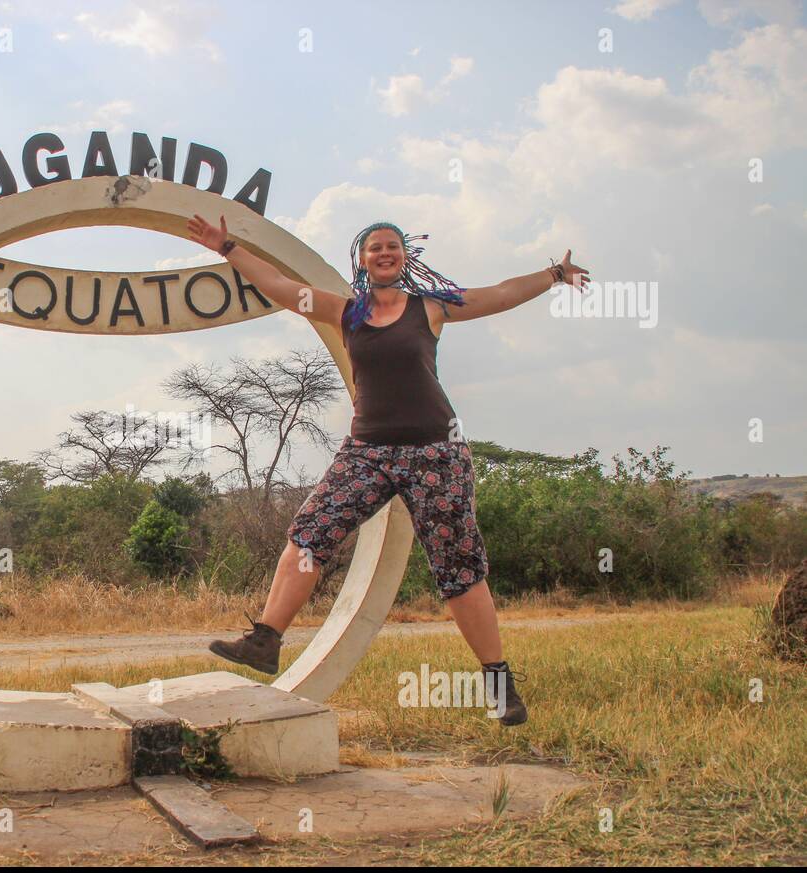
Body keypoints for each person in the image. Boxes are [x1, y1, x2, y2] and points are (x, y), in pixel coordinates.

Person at [184, 213, 589, 726]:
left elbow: (502, 294)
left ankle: (498, 684)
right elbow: (282, 287)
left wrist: (553, 275)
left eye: (393, 247)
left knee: (459, 568)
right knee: (309, 536)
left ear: (405, 256)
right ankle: (265, 641)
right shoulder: (344, 311)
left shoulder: (433, 308)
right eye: (375, 247)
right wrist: (229, 248)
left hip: (435, 453)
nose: (384, 253)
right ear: (362, 259)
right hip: (367, 451)